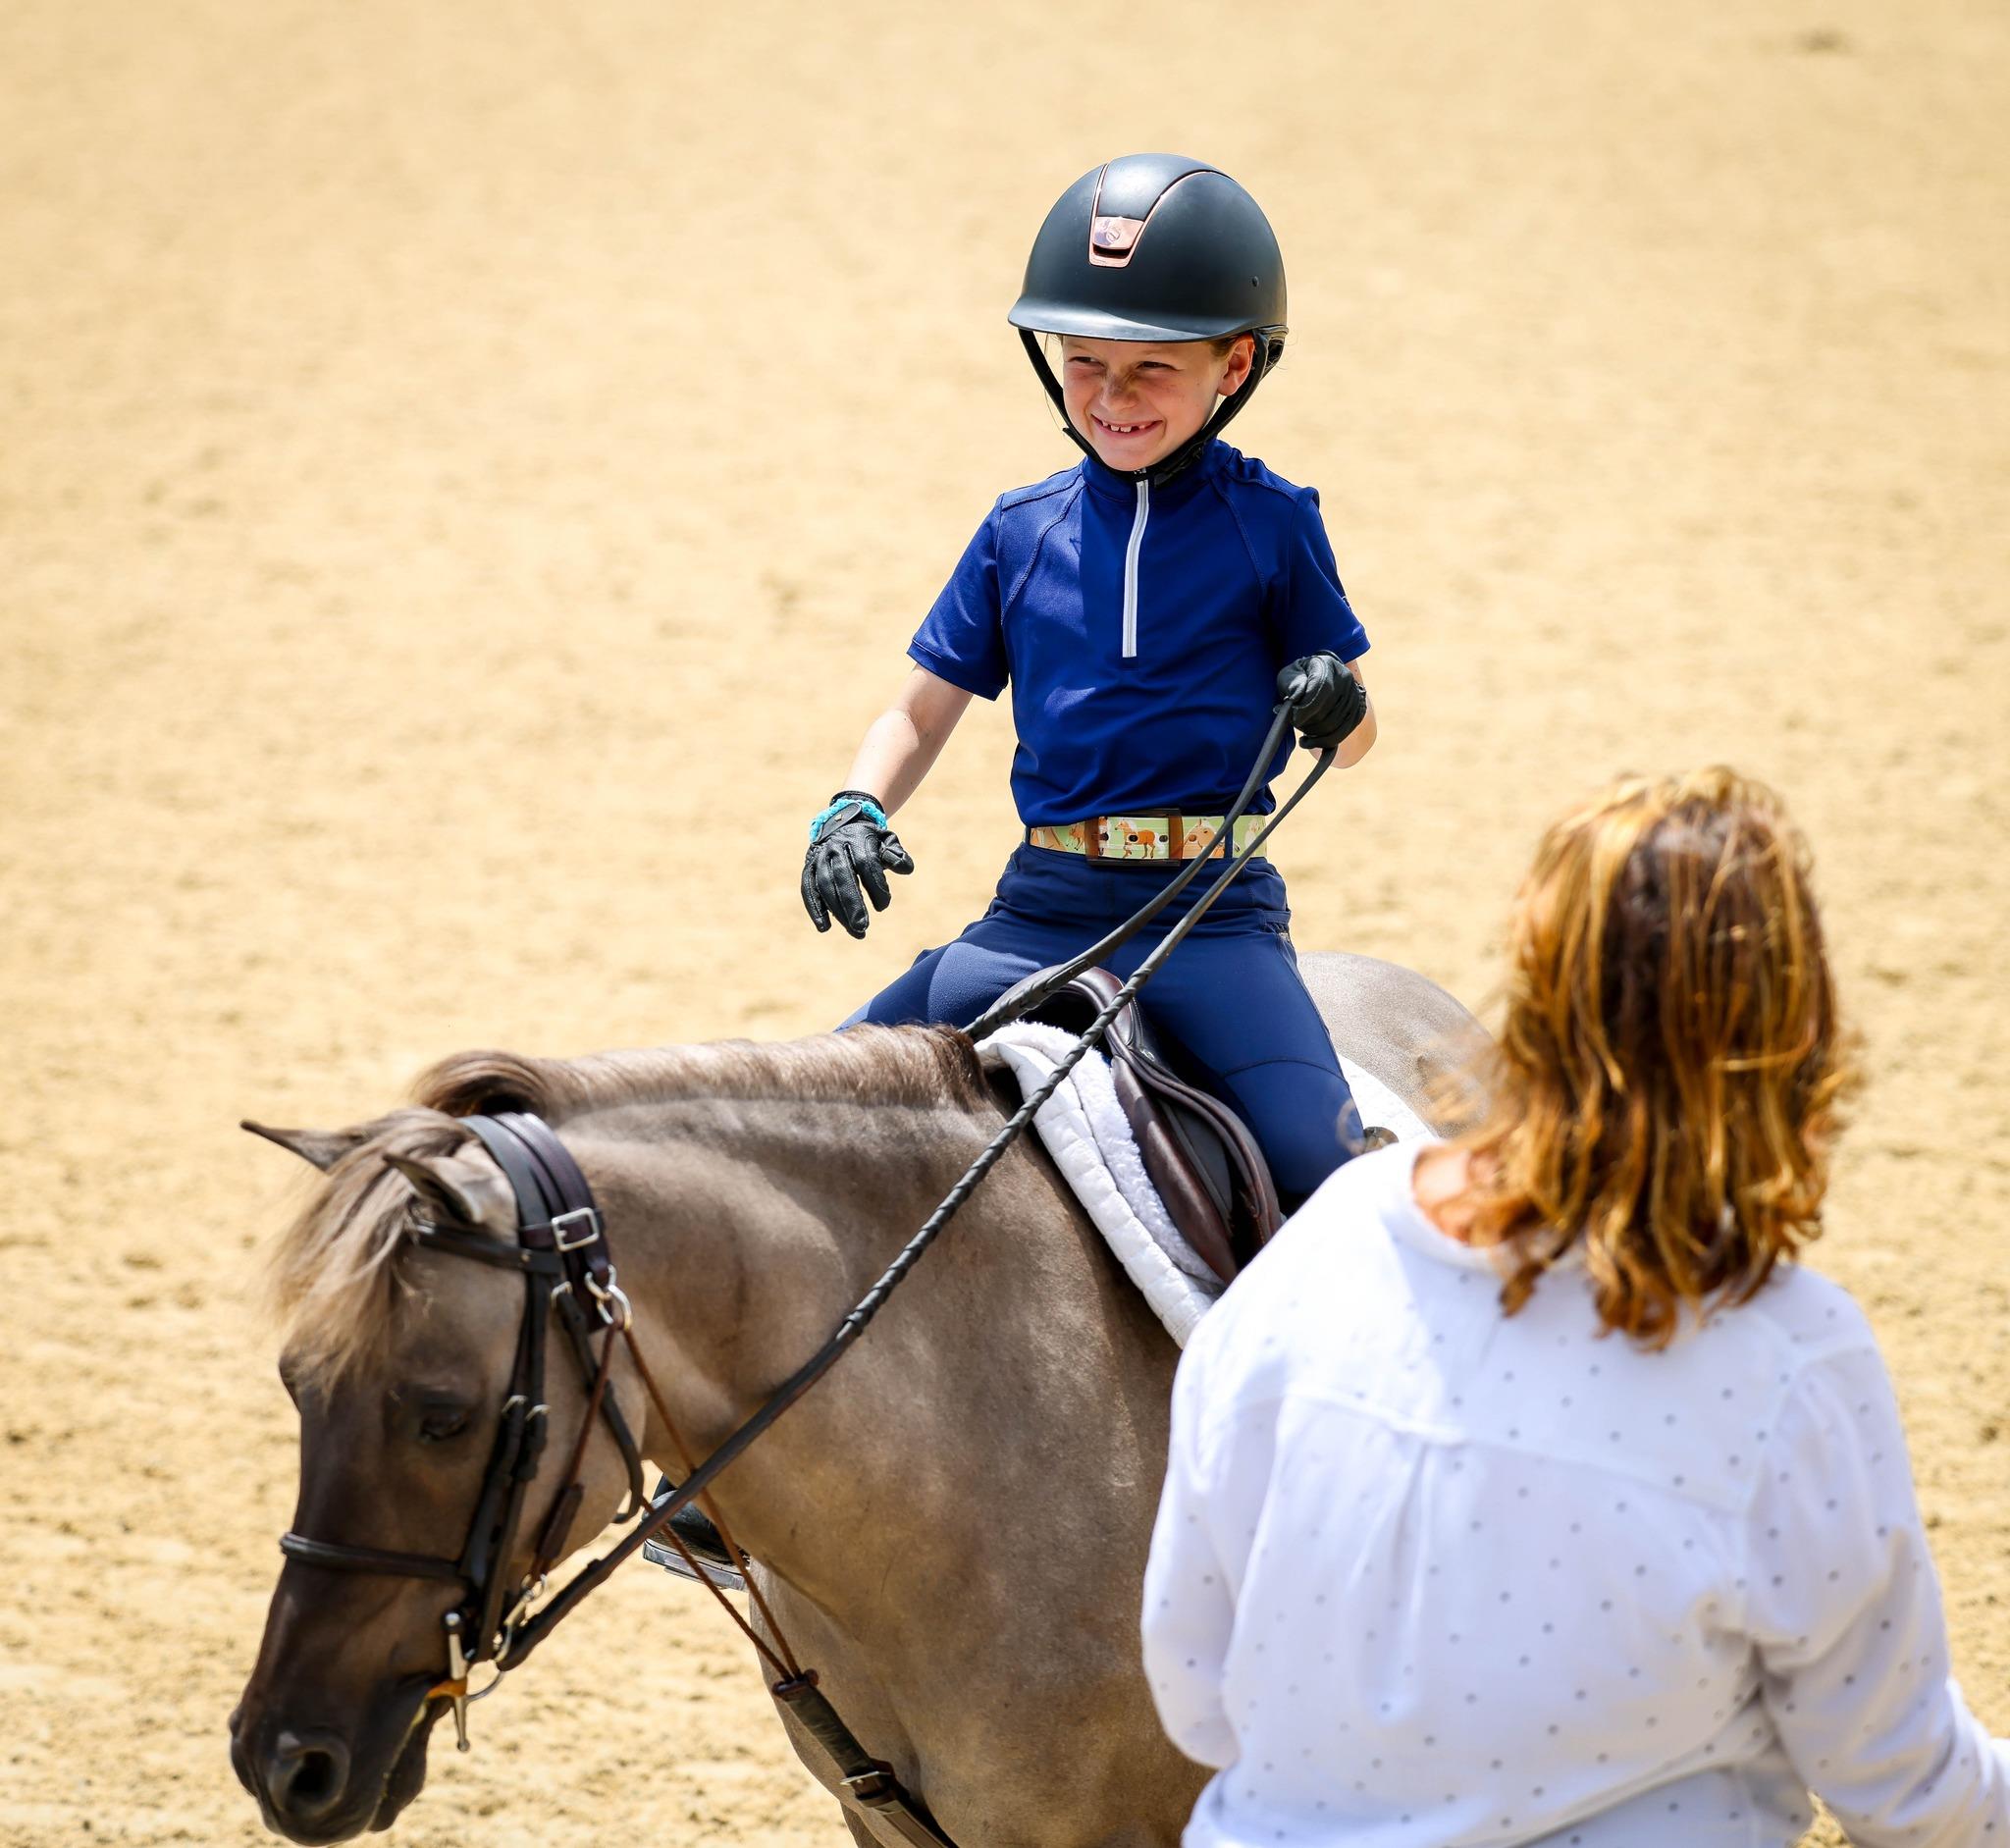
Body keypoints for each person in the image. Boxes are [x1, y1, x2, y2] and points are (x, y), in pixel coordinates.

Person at [1141, 768, 2010, 1846]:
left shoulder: (1320, 1239)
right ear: (1789, 1029)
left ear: (1536, 992)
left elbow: (1192, 1684)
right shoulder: (1788, 1352)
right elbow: (1908, 1795)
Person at [800, 151, 1379, 1203]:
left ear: (1233, 366)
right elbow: (916, 712)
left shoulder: (1273, 523)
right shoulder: (1018, 531)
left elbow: (1354, 739)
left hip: (1210, 919)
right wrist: (853, 805)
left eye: (1150, 367)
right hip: (1039, 910)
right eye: (1084, 362)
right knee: (807, 1117)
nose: (1111, 397)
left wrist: (1338, 703)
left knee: (1328, 1174)